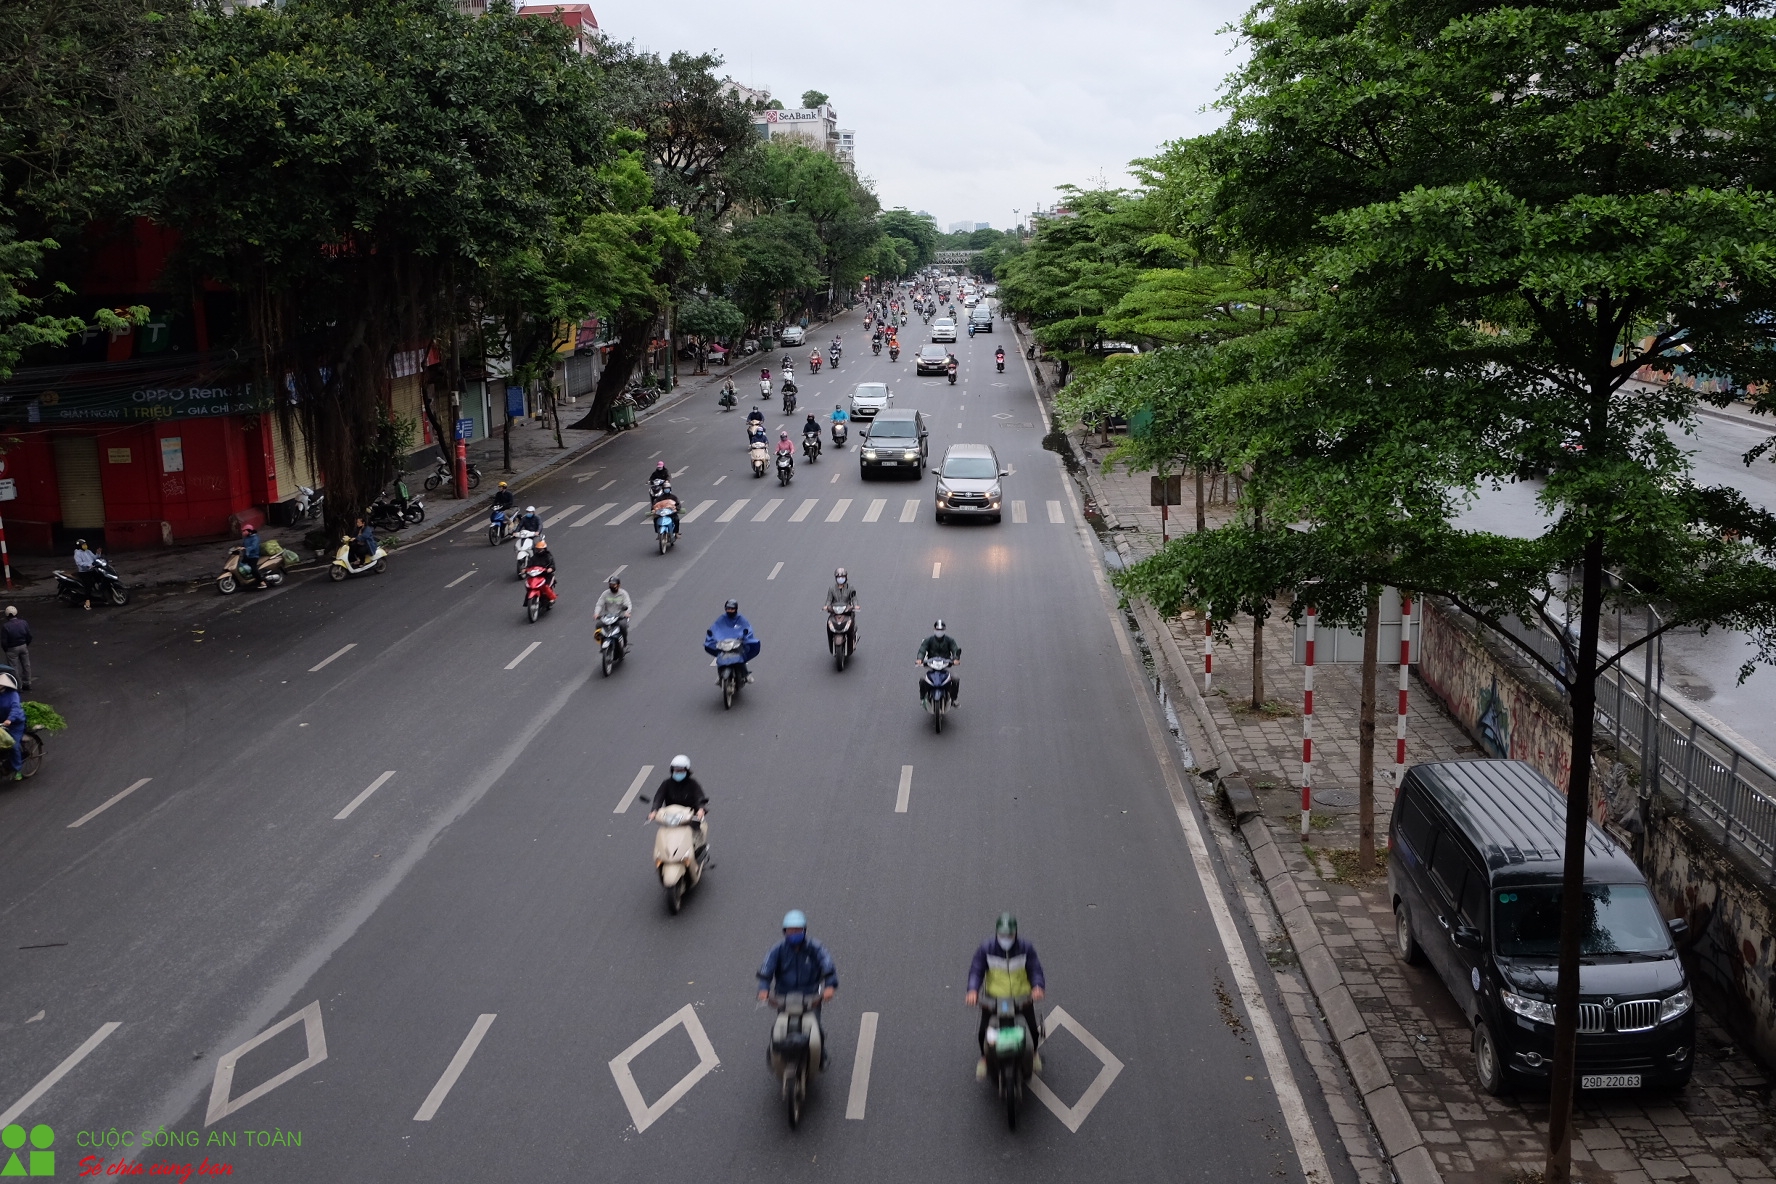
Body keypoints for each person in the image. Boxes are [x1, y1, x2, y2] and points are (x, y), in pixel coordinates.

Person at [966, 913, 1046, 1080]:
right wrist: (973, 990)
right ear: (997, 933)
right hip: (993, 999)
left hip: (1021, 997)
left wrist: (1037, 987)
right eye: (1002, 935)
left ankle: (1034, 1053)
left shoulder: (1026, 948)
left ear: (1015, 933)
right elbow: (976, 970)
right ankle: (984, 1058)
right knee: (983, 1032)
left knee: (1032, 1030)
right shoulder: (986, 949)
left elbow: (1035, 969)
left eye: (1009, 935)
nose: (1006, 938)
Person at [757, 909, 839, 1069]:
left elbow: (828, 965)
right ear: (785, 932)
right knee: (778, 1030)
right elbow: (766, 969)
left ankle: (821, 1054)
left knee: (817, 1028)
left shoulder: (815, 948)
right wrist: (763, 989)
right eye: (791, 930)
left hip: (810, 995)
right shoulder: (777, 950)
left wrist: (830, 986)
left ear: (804, 931)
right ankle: (773, 1054)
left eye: (798, 930)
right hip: (784, 996)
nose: (794, 933)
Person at [647, 754, 709, 856]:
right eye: (676, 770)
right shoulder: (666, 784)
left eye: (681, 771)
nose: (678, 773)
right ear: (672, 771)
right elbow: (658, 798)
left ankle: (698, 852)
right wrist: (654, 811)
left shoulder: (693, 784)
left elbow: (700, 797)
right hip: (671, 817)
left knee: (696, 837)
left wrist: (700, 809)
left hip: (690, 817)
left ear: (687, 771)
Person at [705, 599, 761, 684]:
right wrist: (712, 635)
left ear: (736, 609)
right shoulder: (722, 618)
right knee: (720, 656)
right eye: (728, 609)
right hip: (725, 643)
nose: (730, 611)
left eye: (732, 609)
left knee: (741, 657)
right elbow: (716, 628)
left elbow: (747, 628)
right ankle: (720, 675)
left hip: (736, 643)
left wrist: (744, 636)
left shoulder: (740, 619)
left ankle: (746, 674)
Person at [916, 618, 961, 705]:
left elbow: (955, 649)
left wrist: (956, 659)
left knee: (955, 679)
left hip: (945, 665)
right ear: (934, 629)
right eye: (937, 629)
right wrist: (919, 659)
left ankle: (954, 698)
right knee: (923, 680)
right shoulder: (928, 640)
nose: (939, 632)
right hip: (931, 665)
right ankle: (922, 698)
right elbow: (922, 650)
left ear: (944, 630)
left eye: (941, 630)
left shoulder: (950, 640)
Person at [1, 607, 32, 691]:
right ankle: (27, 683)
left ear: (7, 616)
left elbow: (4, 641)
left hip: (12, 648)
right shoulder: (23, 623)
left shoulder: (6, 626)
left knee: (14, 668)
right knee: (26, 665)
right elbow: (29, 636)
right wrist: (26, 644)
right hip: (23, 645)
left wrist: (6, 650)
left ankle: (18, 686)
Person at [0, 670, 23, 781]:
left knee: (13, 746)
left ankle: (17, 769)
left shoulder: (13, 694)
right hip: (1, 723)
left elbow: (15, 708)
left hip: (15, 724)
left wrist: (9, 720)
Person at [824, 567, 857, 642]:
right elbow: (829, 599)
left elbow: (854, 598)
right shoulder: (832, 588)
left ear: (845, 578)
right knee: (829, 622)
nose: (840, 579)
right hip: (835, 611)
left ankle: (853, 637)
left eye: (842, 577)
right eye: (839, 577)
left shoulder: (850, 588)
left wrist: (856, 605)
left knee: (851, 620)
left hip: (847, 610)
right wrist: (826, 606)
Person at [528, 537, 558, 603]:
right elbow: (529, 565)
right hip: (536, 574)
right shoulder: (534, 557)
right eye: (538, 549)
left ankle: (551, 598)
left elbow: (552, 564)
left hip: (546, 575)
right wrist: (525, 569)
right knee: (528, 585)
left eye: (540, 549)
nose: (539, 550)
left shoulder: (548, 556)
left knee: (546, 586)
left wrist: (550, 568)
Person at [73, 539, 97, 610]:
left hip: (92, 570)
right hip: (84, 572)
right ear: (79, 546)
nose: (85, 546)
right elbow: (79, 563)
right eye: (83, 544)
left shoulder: (88, 551)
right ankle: (87, 603)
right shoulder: (77, 553)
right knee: (88, 586)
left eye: (85, 544)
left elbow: (94, 557)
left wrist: (98, 554)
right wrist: (88, 565)